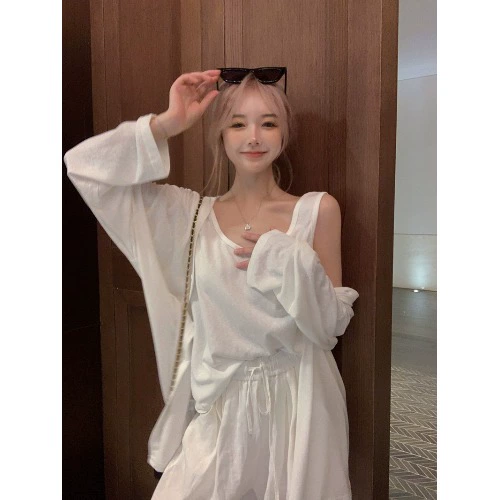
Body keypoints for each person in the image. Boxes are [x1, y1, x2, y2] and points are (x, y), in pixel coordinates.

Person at [65, 68, 359, 500]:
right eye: (238, 124)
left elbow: (330, 326)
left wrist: (287, 258)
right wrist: (166, 123)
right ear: (221, 134)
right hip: (221, 409)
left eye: (268, 123)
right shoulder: (189, 218)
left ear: (284, 134)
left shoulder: (317, 211)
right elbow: (85, 169)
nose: (253, 137)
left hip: (300, 405)